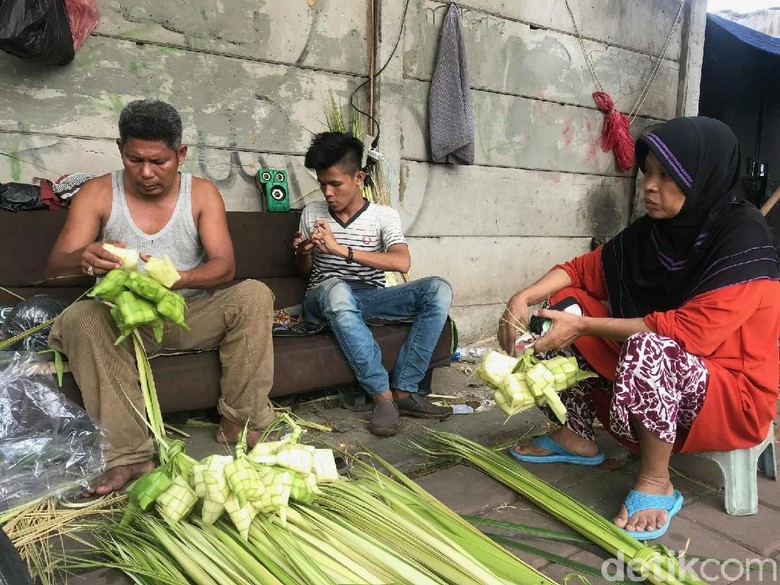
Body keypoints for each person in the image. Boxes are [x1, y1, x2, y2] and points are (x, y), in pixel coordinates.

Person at [497, 117, 780, 540]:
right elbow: (582, 269)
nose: (649, 185)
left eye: (667, 176)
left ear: (701, 177)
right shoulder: (652, 234)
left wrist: (584, 325)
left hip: (733, 390)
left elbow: (688, 334)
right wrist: (522, 298)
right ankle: (576, 435)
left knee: (649, 345)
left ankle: (655, 480)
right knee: (557, 308)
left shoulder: (743, 240)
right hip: (669, 365)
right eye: (648, 172)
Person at [45, 100, 276, 495]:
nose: (147, 173)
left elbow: (225, 265)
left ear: (180, 154)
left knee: (254, 294)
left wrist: (180, 278)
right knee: (82, 315)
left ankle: (242, 423)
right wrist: (83, 259)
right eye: (135, 160)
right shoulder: (98, 193)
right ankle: (131, 456)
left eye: (159, 161)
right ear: (120, 149)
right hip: (122, 326)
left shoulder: (201, 194)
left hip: (188, 315)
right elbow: (53, 268)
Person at [293, 131, 454, 436]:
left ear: (358, 178)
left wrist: (341, 250)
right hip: (322, 297)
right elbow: (304, 272)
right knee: (338, 291)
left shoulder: (383, 216)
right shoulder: (312, 213)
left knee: (438, 289)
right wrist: (303, 252)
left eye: (335, 184)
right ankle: (382, 397)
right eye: (321, 183)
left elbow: (401, 262)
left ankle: (406, 391)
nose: (327, 192)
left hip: (368, 299)